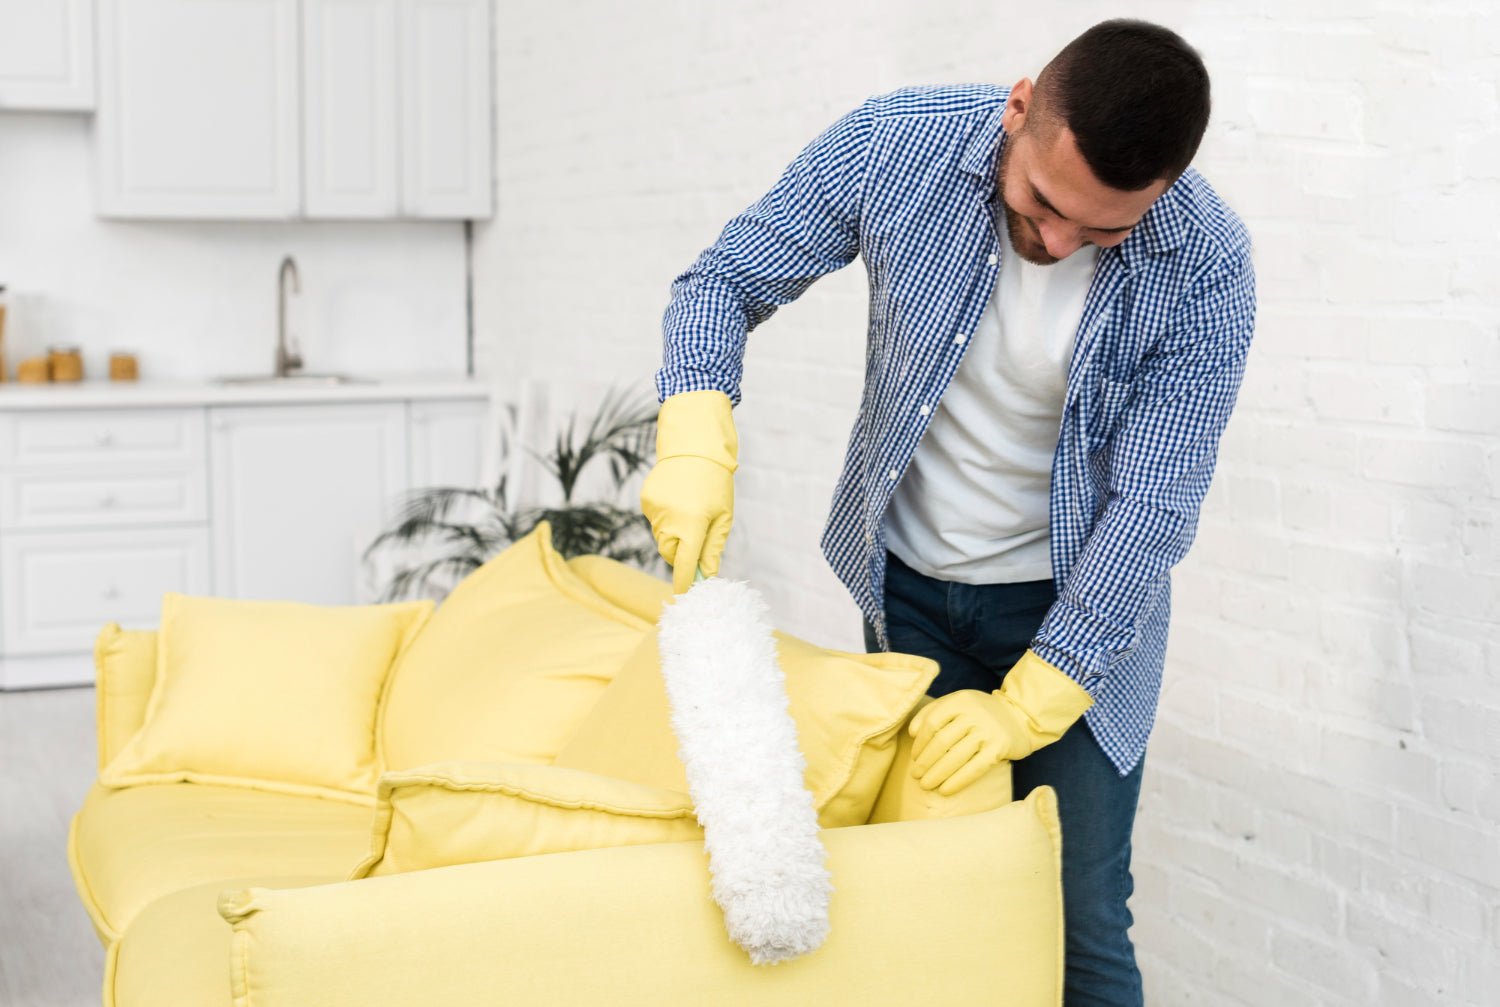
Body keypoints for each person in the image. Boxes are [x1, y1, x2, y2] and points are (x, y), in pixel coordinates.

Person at [640, 17, 1256, 1005]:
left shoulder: (1207, 262)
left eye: (1103, 230)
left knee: (1081, 915)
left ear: (1162, 196)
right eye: (1046, 202)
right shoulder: (897, 146)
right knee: (933, 904)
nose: (1059, 243)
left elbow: (1155, 500)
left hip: (1079, 615)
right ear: (1020, 111)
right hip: (913, 595)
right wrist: (694, 432)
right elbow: (722, 284)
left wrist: (1034, 695)